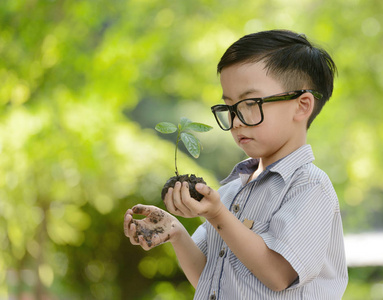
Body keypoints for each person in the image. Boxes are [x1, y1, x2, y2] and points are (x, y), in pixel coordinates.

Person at [124, 29, 348, 299]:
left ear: (301, 106)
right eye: (229, 107)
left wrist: (218, 215)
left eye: (250, 103)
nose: (237, 120)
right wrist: (176, 232)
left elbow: (278, 275)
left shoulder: (309, 186)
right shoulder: (232, 191)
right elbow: (208, 278)